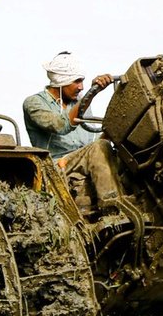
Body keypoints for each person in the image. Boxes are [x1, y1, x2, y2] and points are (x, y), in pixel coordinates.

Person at [23, 51, 121, 210]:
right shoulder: (34, 103)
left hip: (81, 161)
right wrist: (92, 93)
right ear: (61, 81)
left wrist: (113, 131)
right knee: (99, 147)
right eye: (77, 81)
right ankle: (113, 208)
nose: (81, 87)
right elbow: (61, 125)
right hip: (55, 167)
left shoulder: (80, 103)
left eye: (82, 81)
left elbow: (94, 147)